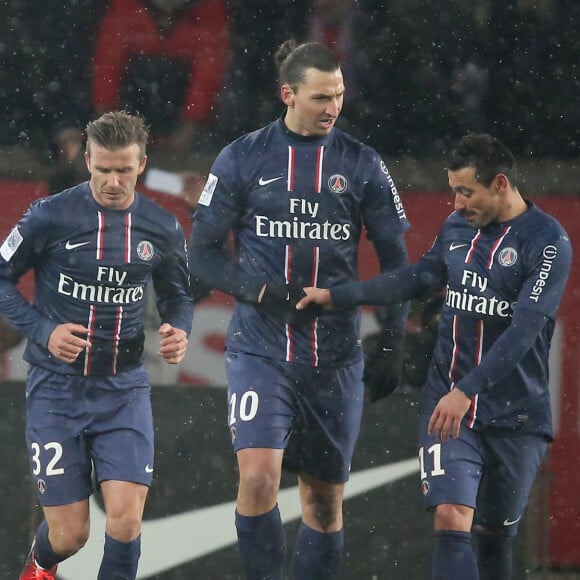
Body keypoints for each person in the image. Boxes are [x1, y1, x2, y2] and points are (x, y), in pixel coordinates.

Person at [296, 133, 573, 580]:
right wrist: (338, 295)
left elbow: (525, 331)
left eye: (466, 191)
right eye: (453, 191)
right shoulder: (457, 228)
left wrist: (469, 390)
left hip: (516, 415)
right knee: (451, 516)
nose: (458, 203)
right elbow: (415, 278)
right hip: (448, 407)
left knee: (494, 537)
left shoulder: (547, 243)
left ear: (500, 183)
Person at [188, 39, 410, 578]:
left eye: (338, 95)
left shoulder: (362, 163)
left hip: (334, 355)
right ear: (288, 95)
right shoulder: (242, 157)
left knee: (325, 502)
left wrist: (392, 337)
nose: (333, 107)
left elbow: (395, 257)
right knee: (260, 478)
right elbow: (201, 255)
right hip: (261, 348)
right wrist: (262, 292)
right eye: (320, 97)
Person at [0, 110, 193, 580]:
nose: (112, 181)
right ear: (86, 160)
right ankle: (40, 567)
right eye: (103, 168)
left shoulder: (162, 227)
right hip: (56, 388)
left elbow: (179, 294)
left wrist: (178, 328)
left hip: (123, 388)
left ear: (142, 164)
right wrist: (44, 330)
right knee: (70, 536)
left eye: (123, 170)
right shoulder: (50, 215)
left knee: (125, 521)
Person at [91, 0, 230, 151]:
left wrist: (190, 126)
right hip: (134, 101)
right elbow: (108, 63)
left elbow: (208, 72)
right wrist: (108, 118)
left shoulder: (209, 10)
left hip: (183, 106)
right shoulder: (126, 7)